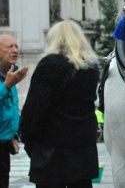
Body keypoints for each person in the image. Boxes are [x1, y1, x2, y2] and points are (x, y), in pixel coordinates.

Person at [20, 21, 100, 188]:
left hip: (52, 152)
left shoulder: (50, 64)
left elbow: (34, 109)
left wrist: (28, 140)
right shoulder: (91, 67)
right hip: (83, 151)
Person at [0, 34, 28, 188]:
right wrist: (6, 86)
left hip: (4, 147)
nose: (15, 50)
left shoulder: (10, 75)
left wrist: (12, 135)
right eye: (9, 46)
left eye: (16, 46)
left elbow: (10, 110)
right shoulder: (9, 80)